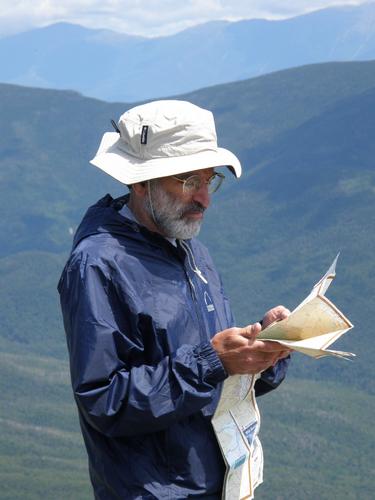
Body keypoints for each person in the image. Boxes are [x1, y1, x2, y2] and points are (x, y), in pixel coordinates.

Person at [58, 100, 291, 499]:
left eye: (208, 180)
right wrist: (212, 361)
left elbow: (209, 374)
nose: (205, 199)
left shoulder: (189, 248)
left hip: (219, 483)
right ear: (139, 183)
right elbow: (104, 401)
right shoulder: (98, 265)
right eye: (187, 181)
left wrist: (261, 352)